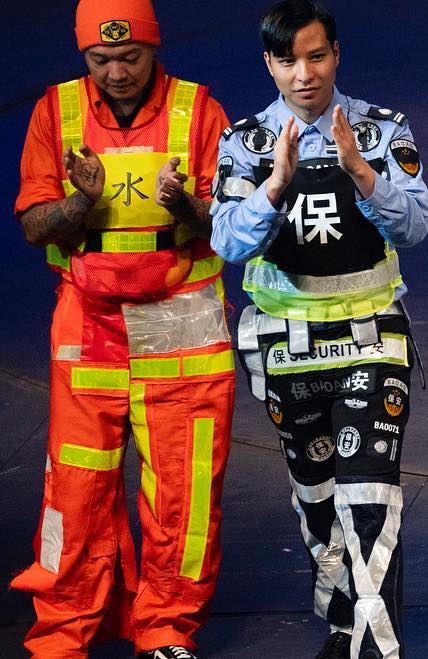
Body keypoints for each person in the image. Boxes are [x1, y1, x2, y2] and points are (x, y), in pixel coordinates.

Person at [11, 0, 235, 657]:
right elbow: (33, 225)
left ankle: (167, 628)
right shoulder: (56, 112)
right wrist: (82, 200)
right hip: (89, 326)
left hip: (182, 322)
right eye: (100, 58)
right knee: (76, 489)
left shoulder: (201, 112)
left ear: (154, 48)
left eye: (129, 56)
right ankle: (62, 632)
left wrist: (182, 202)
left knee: (185, 488)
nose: (116, 71)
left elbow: (235, 224)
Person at [210, 1, 428, 657]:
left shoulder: (382, 130)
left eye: (316, 56)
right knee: (317, 499)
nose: (303, 74)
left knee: (368, 494)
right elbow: (227, 241)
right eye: (288, 61)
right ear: (269, 64)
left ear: (336, 54)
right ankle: (343, 622)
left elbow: (416, 225)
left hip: (372, 338)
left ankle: (373, 646)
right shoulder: (245, 143)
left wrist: (362, 172)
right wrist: (275, 185)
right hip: (286, 348)